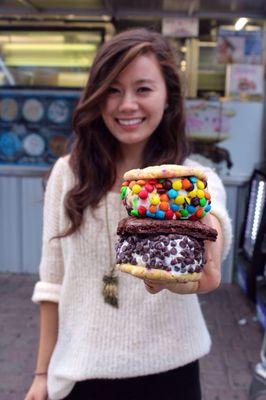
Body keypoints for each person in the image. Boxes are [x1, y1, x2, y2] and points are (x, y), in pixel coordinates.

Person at [25, 28, 232, 400]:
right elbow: (52, 284)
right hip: (82, 375)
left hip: (172, 374)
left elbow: (210, 214)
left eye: (143, 89)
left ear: (168, 97)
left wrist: (207, 249)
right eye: (113, 89)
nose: (126, 105)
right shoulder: (67, 175)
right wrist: (41, 374)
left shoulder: (189, 181)